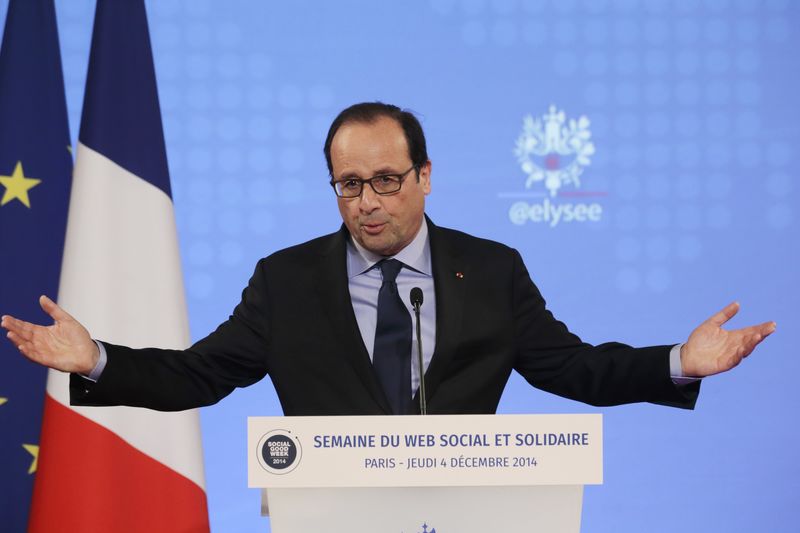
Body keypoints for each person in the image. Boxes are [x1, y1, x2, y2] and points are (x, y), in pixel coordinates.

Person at [1, 102, 775, 415]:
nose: (367, 201)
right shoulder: (287, 280)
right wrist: (96, 357)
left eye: (384, 180)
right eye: (348, 184)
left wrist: (680, 360)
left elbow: (571, 368)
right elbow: (200, 374)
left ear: (425, 177)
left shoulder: (494, 268)